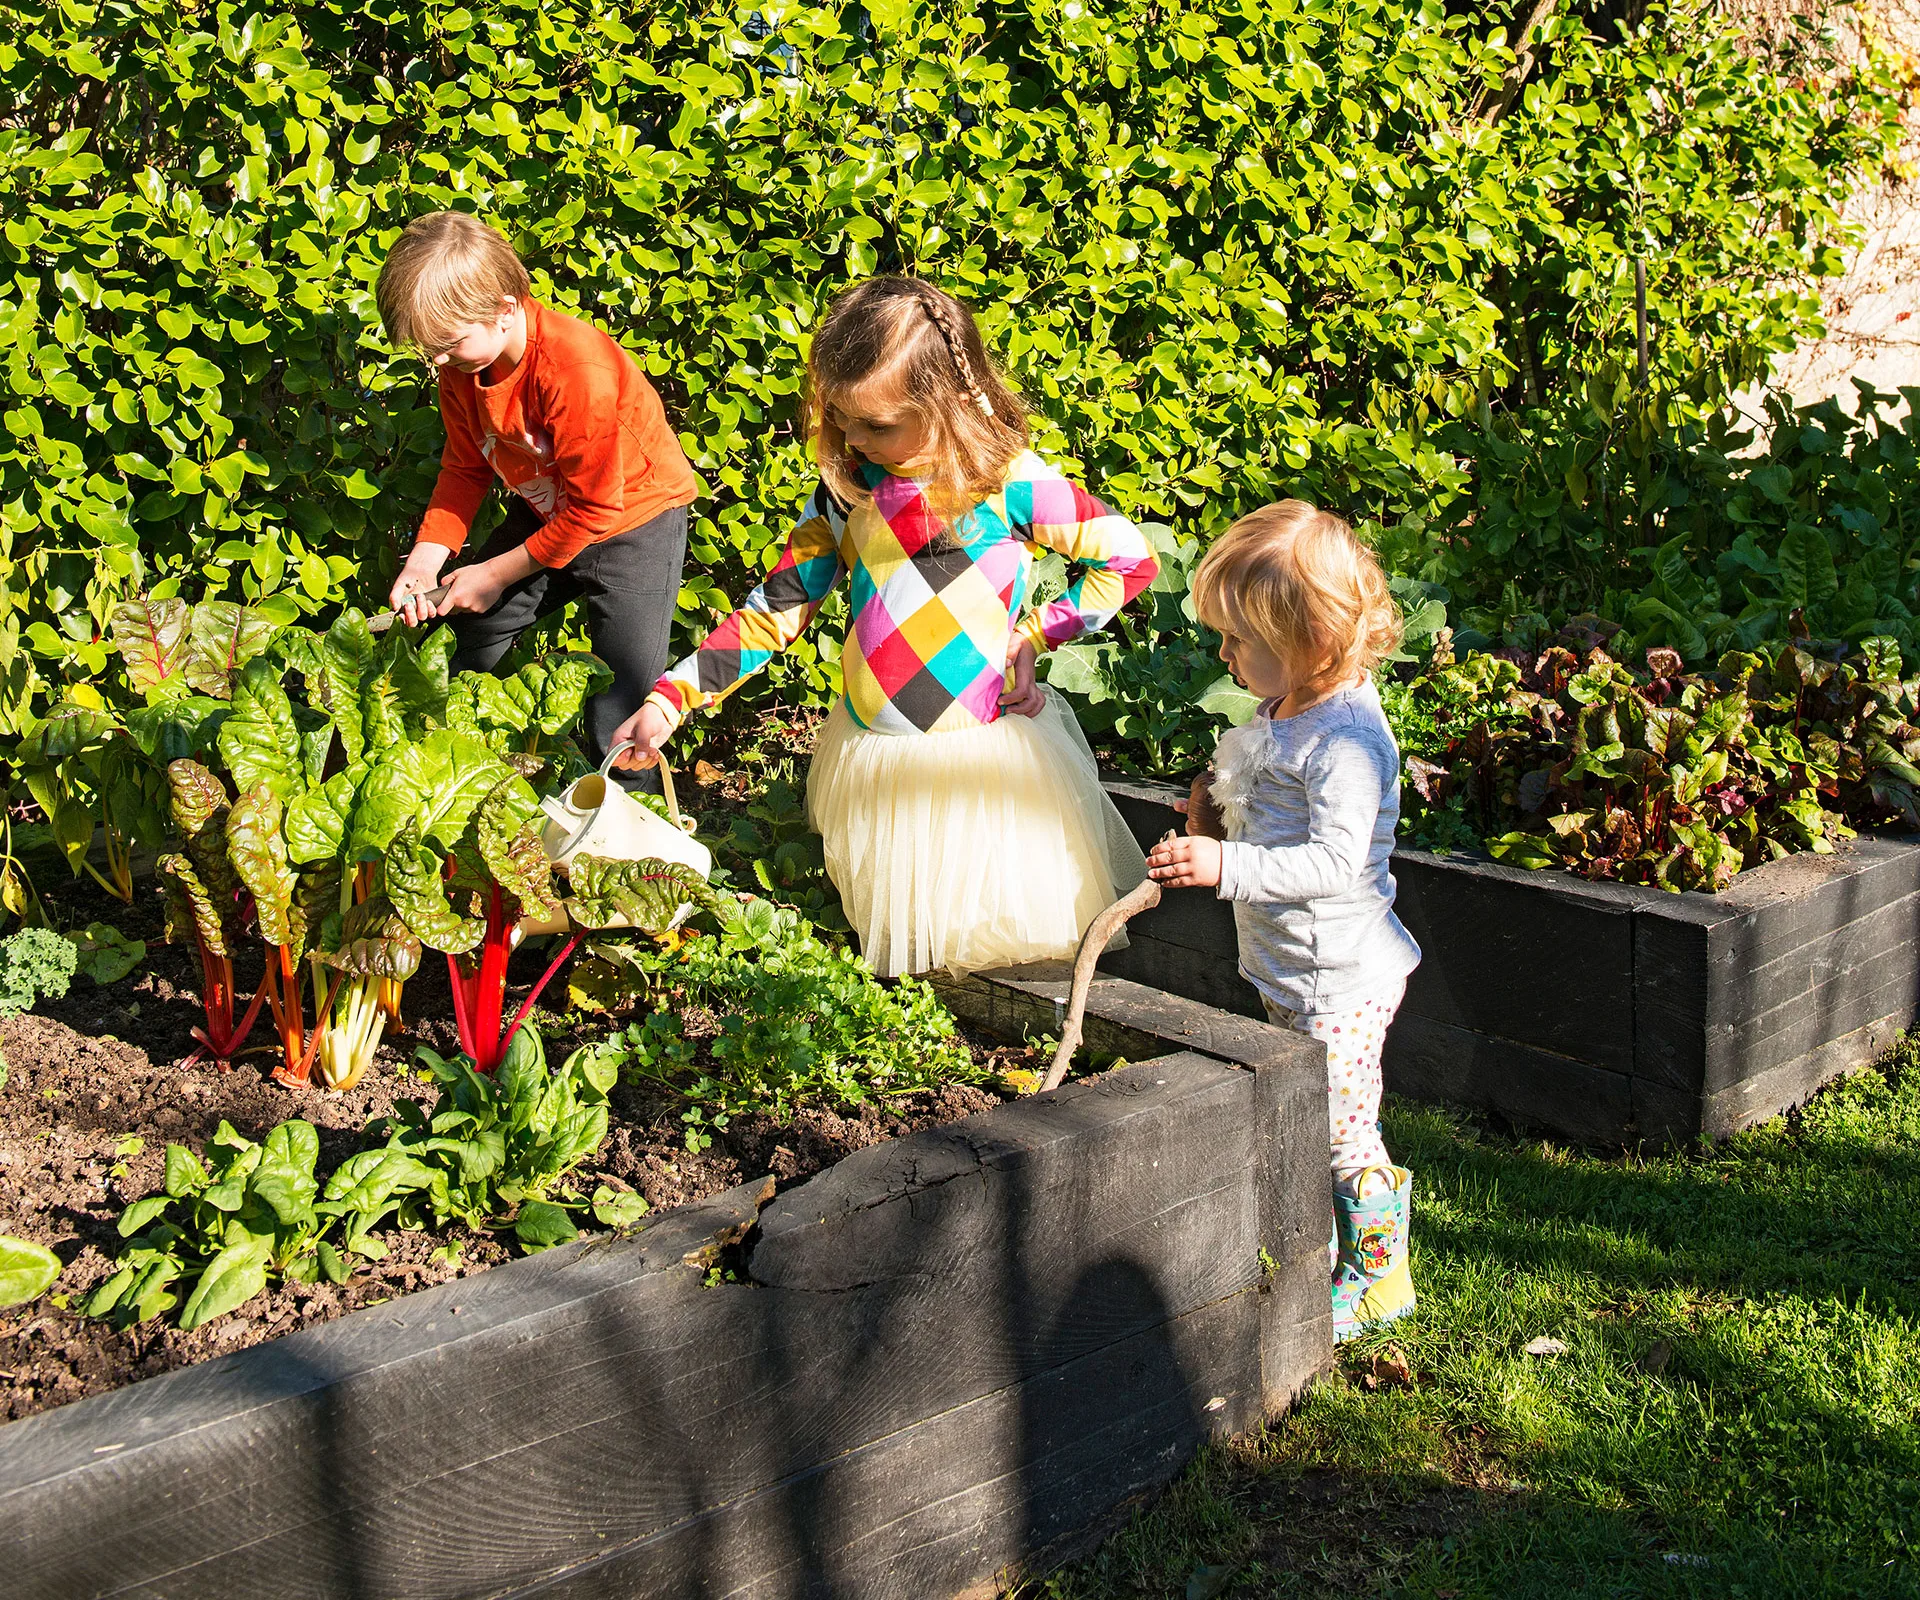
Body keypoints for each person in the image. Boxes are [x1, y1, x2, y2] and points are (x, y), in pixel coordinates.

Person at [608, 275, 1156, 978]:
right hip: (875, 750)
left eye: (878, 424)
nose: (854, 441)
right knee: (908, 945)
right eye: (841, 420)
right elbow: (779, 603)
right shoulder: (849, 492)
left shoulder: (1004, 483)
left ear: (950, 402)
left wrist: (1037, 634)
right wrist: (670, 698)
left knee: (996, 950)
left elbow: (1127, 559)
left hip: (977, 764)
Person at [1146, 500, 1422, 1341]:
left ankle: (1380, 1278)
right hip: (1290, 964)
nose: (1224, 655)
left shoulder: (1346, 744)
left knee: (1343, 1130)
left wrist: (1225, 866)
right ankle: (1323, 1243)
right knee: (1307, 1114)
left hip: (1339, 976)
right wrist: (1213, 819)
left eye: (1239, 641)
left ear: (1310, 641)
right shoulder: (1287, 709)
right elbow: (1269, 809)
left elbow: (1335, 863)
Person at [375, 211, 700, 790]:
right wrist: (424, 564)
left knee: (619, 707)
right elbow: (465, 466)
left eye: (448, 345)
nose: (440, 364)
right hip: (551, 511)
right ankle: (461, 785)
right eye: (430, 352)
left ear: (504, 309)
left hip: (635, 523)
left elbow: (598, 508)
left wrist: (494, 574)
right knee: (470, 634)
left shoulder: (575, 369)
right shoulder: (461, 370)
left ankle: (630, 857)